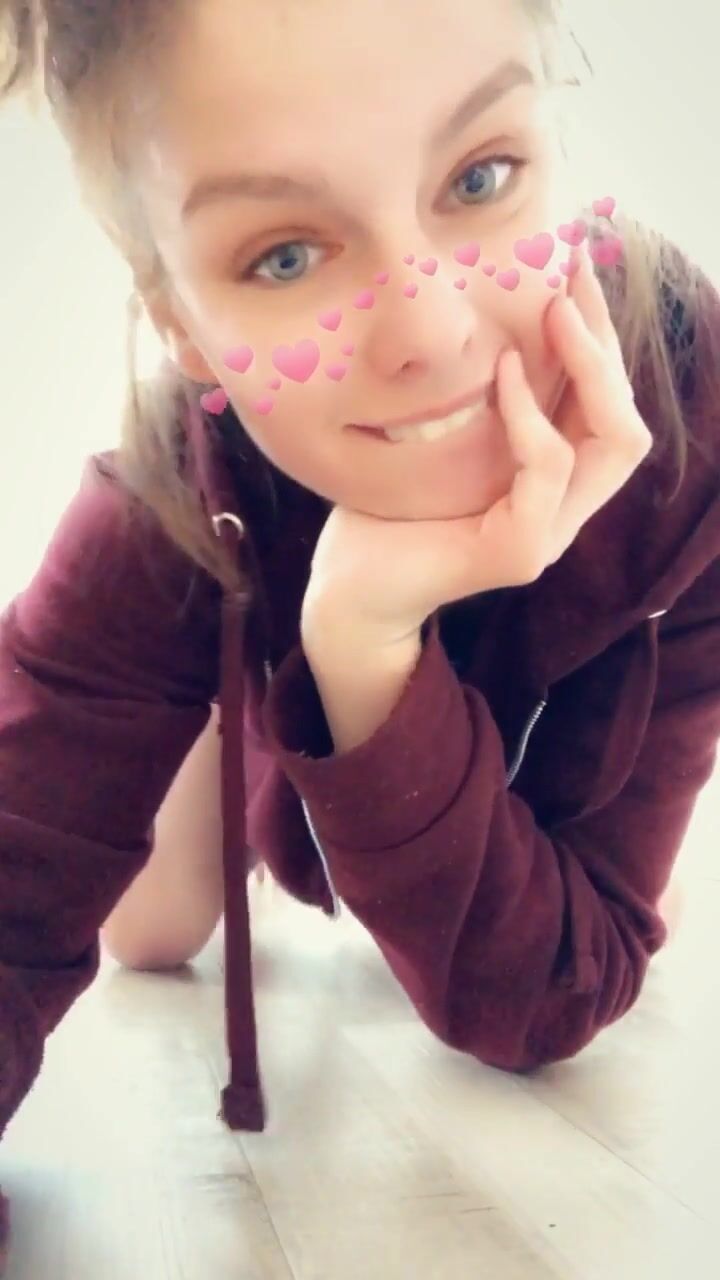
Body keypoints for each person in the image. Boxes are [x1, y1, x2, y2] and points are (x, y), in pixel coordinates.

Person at [1, 0, 719, 1256]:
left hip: (485, 778)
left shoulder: (691, 415)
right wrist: (321, 628)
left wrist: (370, 657)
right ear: (179, 323)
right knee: (153, 934)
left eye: (481, 177)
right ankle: (222, 698)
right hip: (234, 584)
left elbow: (551, 990)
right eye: (286, 255)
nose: (435, 334)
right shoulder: (160, 501)